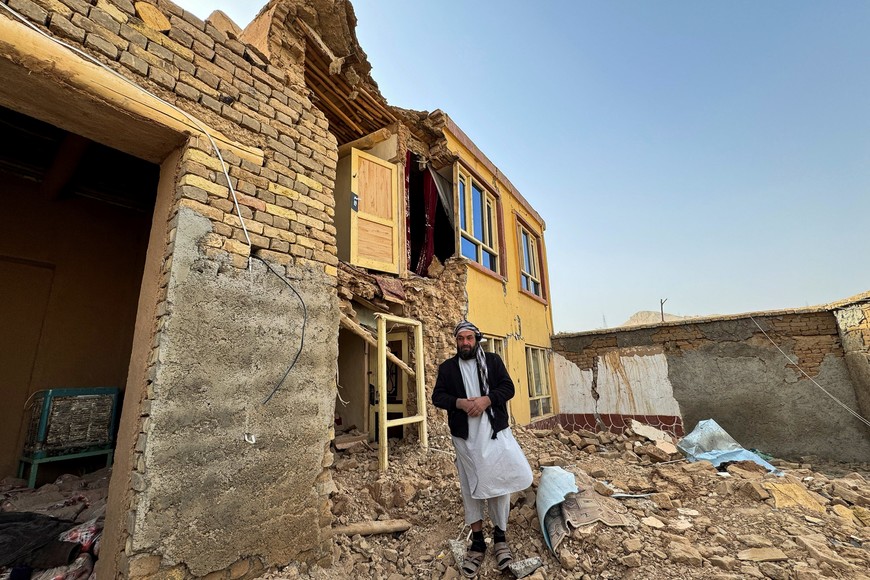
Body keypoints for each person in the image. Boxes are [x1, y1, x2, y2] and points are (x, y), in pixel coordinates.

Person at [432, 321, 533, 577]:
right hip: (465, 438)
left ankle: (500, 537)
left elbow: (508, 388)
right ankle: (477, 542)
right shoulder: (448, 368)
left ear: (477, 339)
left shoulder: (493, 361)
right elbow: (437, 397)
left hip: (494, 433)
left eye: (469, 338)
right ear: (456, 341)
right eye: (461, 339)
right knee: (471, 486)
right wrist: (460, 403)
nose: (465, 343)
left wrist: (487, 400)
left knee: (500, 485)